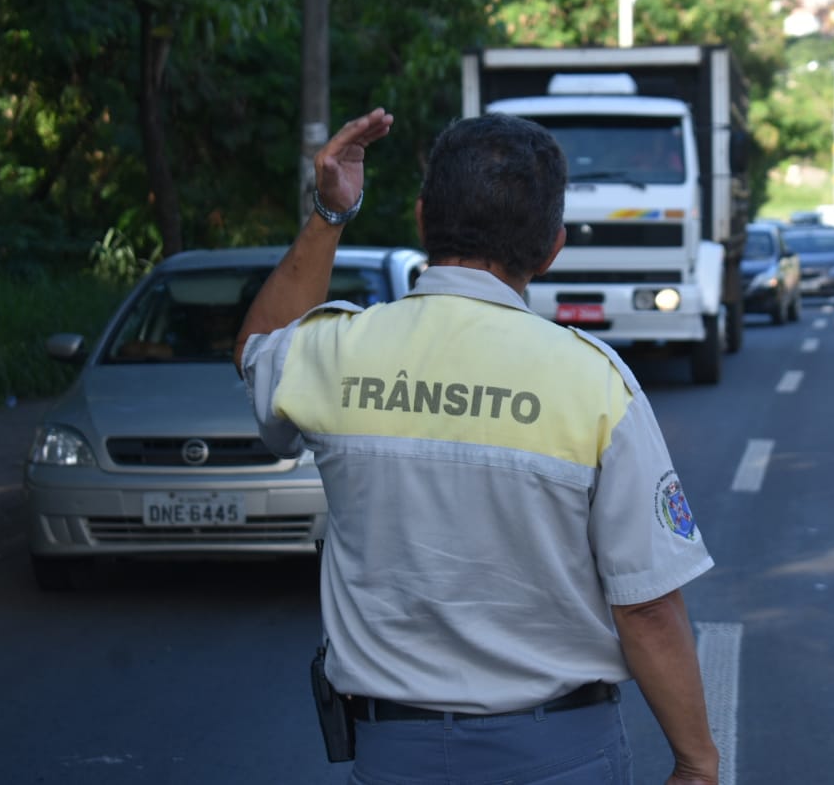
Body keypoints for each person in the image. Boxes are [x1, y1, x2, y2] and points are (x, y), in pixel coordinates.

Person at [233, 108, 719, 785]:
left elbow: (258, 349)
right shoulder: (596, 383)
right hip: (564, 754)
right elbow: (644, 606)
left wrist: (328, 213)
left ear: (423, 218)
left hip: (395, 755)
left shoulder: (337, 352)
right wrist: (697, 762)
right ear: (553, 248)